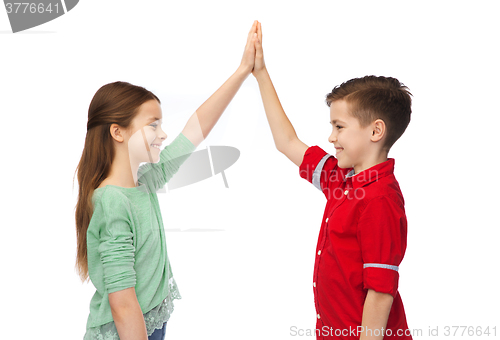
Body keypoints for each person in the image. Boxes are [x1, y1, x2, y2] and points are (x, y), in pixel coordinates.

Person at [74, 21, 260, 340]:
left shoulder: (144, 179)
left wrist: (243, 71)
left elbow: (195, 130)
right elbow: (122, 305)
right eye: (153, 126)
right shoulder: (113, 202)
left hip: (149, 324)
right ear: (117, 132)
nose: (163, 134)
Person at [251, 21, 413, 340]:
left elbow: (380, 293)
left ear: (375, 131)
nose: (331, 136)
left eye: (339, 127)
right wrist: (261, 73)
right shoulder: (342, 179)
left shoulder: (379, 199)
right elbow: (287, 142)